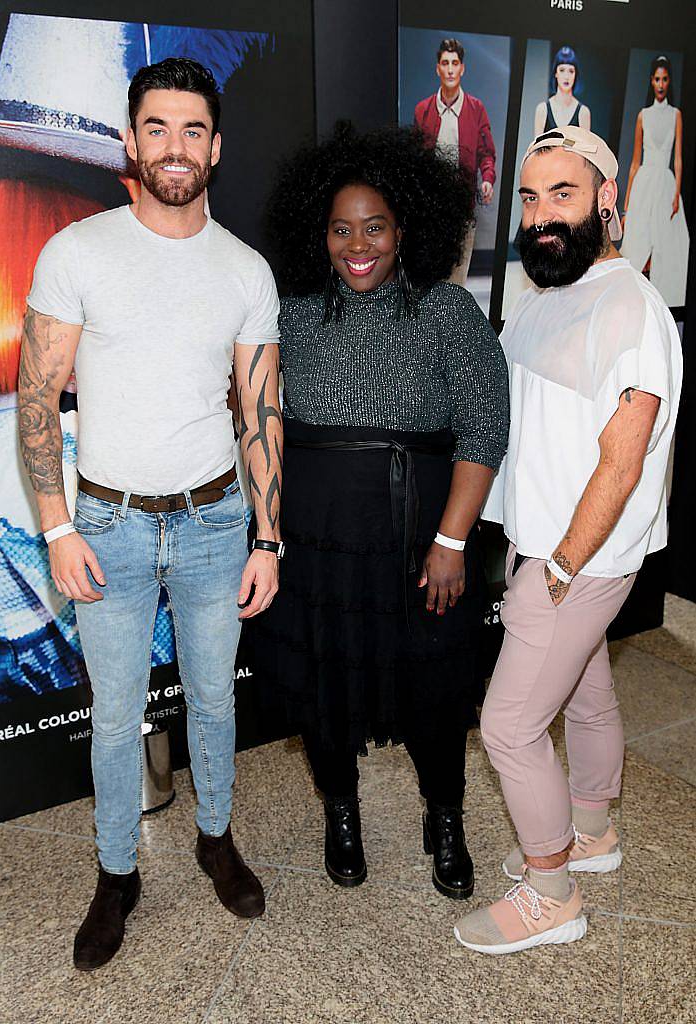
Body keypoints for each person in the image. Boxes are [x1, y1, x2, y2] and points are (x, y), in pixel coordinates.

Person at [17, 57, 283, 970]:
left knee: (213, 703)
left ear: (218, 146)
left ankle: (216, 837)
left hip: (216, 525)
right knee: (115, 713)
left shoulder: (246, 271)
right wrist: (54, 528)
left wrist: (268, 536)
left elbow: (259, 410)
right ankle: (116, 871)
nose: (176, 147)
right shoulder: (78, 251)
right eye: (158, 128)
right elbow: (39, 397)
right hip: (108, 527)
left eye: (194, 130)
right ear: (131, 142)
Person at [249, 122, 509, 900]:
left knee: (433, 689)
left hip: (417, 540)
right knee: (325, 692)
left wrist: (450, 541)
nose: (356, 245)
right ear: (317, 233)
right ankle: (341, 814)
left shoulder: (446, 310)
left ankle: (446, 816)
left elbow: (484, 429)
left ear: (405, 229)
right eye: (340, 229)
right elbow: (254, 412)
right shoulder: (290, 313)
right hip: (318, 543)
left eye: (375, 228)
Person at [454, 126, 682, 954]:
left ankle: (552, 895)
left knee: (510, 725)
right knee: (584, 694)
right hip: (548, 545)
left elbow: (620, 465)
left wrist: (554, 568)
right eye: (528, 196)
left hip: (575, 559)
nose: (540, 214)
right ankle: (591, 835)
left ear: (607, 203)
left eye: (562, 194)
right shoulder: (550, 291)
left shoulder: (629, 309)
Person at [414, 38, 496, 285]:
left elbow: (486, 153)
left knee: (457, 279)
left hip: (463, 205)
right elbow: (416, 159)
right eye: (445, 63)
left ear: (463, 68)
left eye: (455, 63)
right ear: (437, 68)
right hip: (431, 208)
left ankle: (451, 322)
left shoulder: (475, 109)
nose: (450, 69)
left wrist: (488, 179)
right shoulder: (423, 110)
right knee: (430, 276)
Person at [621, 54, 690, 307]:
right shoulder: (643, 115)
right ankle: (635, 302)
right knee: (638, 243)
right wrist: (626, 205)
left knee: (666, 247)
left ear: (669, 81)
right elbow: (635, 162)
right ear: (651, 81)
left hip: (666, 184)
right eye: (657, 79)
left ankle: (661, 305)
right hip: (644, 183)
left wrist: (676, 195)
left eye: (665, 79)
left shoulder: (676, 115)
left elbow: (678, 158)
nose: (661, 84)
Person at [533, 46, 591, 136]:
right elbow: (537, 147)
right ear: (556, 73)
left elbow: (583, 148)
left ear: (576, 75)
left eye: (571, 71)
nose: (566, 76)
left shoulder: (583, 113)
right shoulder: (542, 110)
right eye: (562, 70)